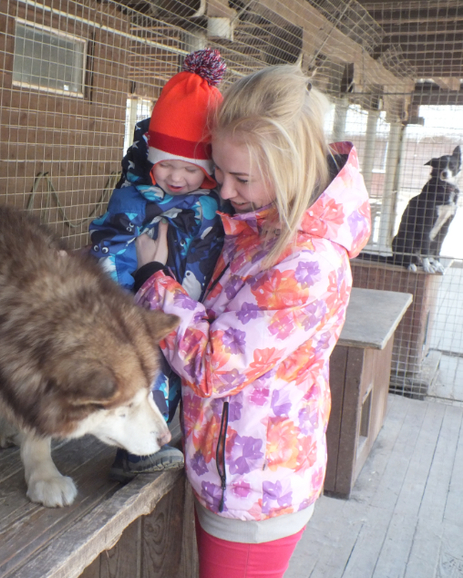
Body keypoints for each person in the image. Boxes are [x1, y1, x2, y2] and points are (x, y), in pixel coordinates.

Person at [132, 64, 372, 577]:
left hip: (254, 492)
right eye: (219, 172)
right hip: (230, 470)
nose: (224, 191)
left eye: (241, 178)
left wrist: (155, 281)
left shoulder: (305, 261)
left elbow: (215, 366)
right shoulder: (261, 225)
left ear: (291, 167)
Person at [88, 48, 227, 480]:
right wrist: (120, 297)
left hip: (182, 302)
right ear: (153, 158)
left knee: (177, 371)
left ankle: (157, 440)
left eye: (191, 168)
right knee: (147, 371)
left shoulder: (211, 207)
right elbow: (108, 246)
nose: (177, 177)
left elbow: (209, 255)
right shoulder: (133, 199)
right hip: (134, 301)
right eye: (167, 164)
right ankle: (136, 454)